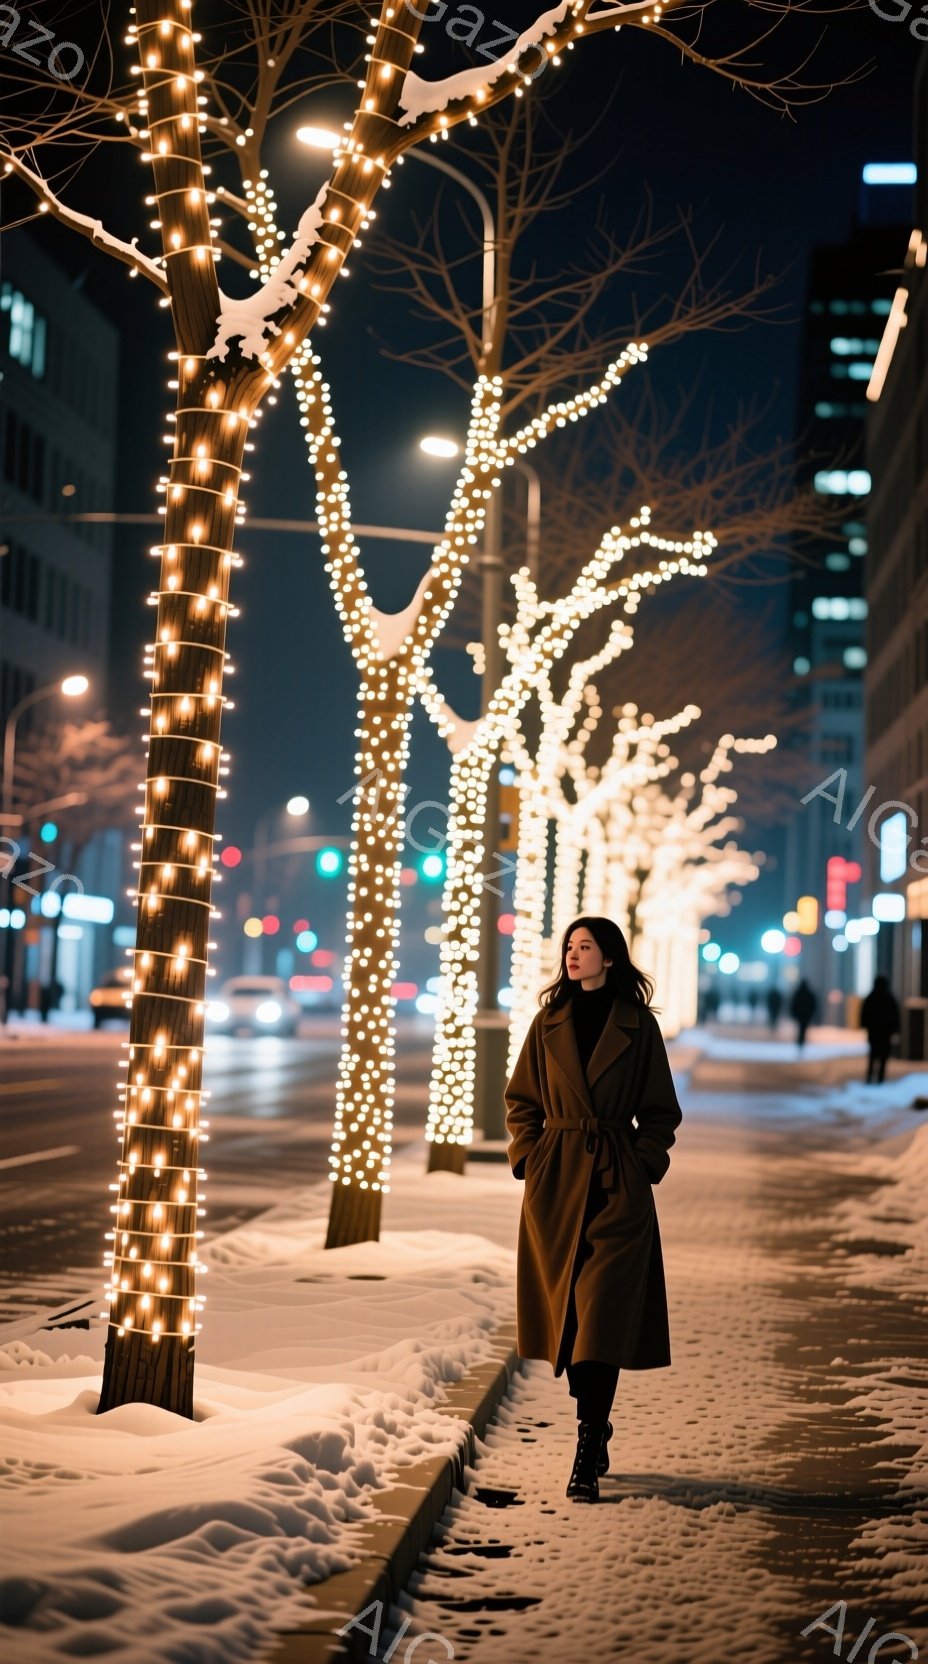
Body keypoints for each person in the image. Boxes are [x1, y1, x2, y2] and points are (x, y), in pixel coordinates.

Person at [504, 916, 683, 1505]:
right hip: (556, 1186)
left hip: (615, 1186)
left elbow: (660, 1111)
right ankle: (595, 1424)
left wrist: (642, 1162)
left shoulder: (638, 1026)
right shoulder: (547, 1020)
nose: (574, 955)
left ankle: (586, 1446)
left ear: (610, 956)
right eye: (569, 947)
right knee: (571, 1322)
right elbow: (521, 1101)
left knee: (600, 1314)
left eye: (586, 947)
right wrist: (530, 1156)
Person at [860, 975, 900, 1085]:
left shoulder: (871, 997)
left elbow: (864, 1013)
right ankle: (880, 1078)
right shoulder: (889, 998)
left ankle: (870, 1077)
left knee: (873, 1055)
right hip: (885, 1033)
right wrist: (895, 1029)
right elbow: (895, 1016)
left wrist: (864, 1025)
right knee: (883, 1056)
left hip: (874, 1032)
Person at [790, 979, 818, 1050]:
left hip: (800, 1015)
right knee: (803, 1028)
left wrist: (794, 1013)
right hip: (806, 1015)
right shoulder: (809, 993)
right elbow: (813, 1005)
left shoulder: (798, 993)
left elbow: (794, 1004)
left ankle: (800, 1040)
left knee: (801, 1027)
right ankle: (801, 1040)